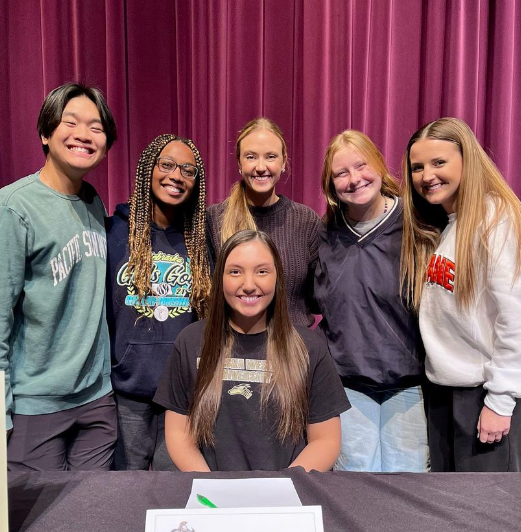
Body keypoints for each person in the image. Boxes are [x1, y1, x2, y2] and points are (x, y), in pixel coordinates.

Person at [154, 230, 350, 471]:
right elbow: (178, 433)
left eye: (262, 271)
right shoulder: (191, 341)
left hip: (285, 496)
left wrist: (281, 490)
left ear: (277, 277)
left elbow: (326, 440)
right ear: (220, 278)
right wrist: (211, 488)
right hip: (214, 498)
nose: (248, 285)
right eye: (235, 272)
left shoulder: (309, 348)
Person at [0, 82, 118, 470]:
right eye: (71, 122)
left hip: (97, 399)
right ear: (46, 133)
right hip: (35, 404)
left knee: (94, 515)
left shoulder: (92, 201)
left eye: (96, 128)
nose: (84, 135)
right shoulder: (15, 207)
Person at [400, 117, 521, 472]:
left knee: (485, 516)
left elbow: (515, 316)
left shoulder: (495, 217)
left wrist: (500, 401)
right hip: (445, 392)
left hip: (482, 394)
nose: (426, 175)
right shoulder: (448, 224)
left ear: (467, 160)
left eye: (439, 162)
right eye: (417, 167)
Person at [314, 130, 428, 472]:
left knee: (407, 489)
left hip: (409, 386)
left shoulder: (417, 223)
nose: (354, 179)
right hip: (348, 387)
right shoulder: (324, 235)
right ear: (331, 184)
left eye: (361, 166)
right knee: (355, 487)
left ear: (379, 165)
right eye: (341, 173)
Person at [106, 134, 212, 470]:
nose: (176, 176)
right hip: (128, 390)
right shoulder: (114, 233)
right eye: (166, 165)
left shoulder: (199, 240)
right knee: (127, 492)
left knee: (173, 492)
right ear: (147, 169)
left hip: (181, 394)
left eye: (188, 170)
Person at [207, 117, 320, 327]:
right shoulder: (214, 219)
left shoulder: (306, 221)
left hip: (293, 350)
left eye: (270, 157)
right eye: (251, 157)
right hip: (234, 350)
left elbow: (319, 298)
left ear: (283, 162)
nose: (261, 167)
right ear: (239, 163)